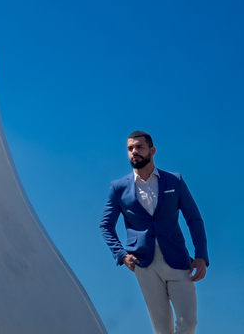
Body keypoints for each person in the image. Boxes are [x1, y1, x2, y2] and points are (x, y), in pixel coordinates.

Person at [99, 131, 208, 334]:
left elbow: (194, 219)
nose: (134, 152)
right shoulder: (119, 188)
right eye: (130, 148)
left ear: (152, 150)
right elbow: (105, 225)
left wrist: (201, 256)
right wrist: (121, 255)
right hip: (143, 263)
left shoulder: (174, 180)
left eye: (139, 147)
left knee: (188, 322)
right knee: (162, 329)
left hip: (177, 258)